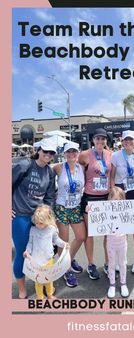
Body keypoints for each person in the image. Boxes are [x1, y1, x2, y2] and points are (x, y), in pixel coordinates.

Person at [12, 138, 57, 299]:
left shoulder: (50, 172)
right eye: (46, 151)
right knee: (23, 252)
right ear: (38, 150)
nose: (48, 155)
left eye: (52, 152)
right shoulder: (25, 165)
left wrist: (49, 217)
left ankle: (45, 284)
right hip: (21, 216)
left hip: (40, 218)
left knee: (45, 252)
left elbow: (50, 197)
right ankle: (22, 288)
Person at [79, 128, 112, 280]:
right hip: (90, 198)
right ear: (93, 140)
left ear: (106, 141)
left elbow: (112, 174)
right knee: (90, 233)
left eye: (103, 139)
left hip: (105, 197)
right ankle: (91, 264)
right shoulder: (85, 155)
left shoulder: (109, 154)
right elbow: (75, 170)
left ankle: (107, 262)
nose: (100, 141)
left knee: (107, 232)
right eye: (97, 138)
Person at [110, 130, 134, 274]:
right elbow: (111, 176)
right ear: (122, 142)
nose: (128, 142)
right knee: (120, 227)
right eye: (125, 140)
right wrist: (113, 192)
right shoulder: (115, 155)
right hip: (121, 191)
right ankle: (120, 259)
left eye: (131, 140)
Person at [53, 142, 86, 287]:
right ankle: (65, 270)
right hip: (62, 208)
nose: (71, 154)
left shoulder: (82, 168)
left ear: (78, 153)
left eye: (74, 152)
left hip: (76, 207)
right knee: (63, 241)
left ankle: (69, 259)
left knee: (80, 237)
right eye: (69, 152)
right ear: (64, 154)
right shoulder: (58, 168)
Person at [23, 204, 69, 300]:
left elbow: (56, 240)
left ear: (47, 220)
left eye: (41, 223)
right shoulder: (33, 229)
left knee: (49, 279)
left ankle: (49, 294)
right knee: (38, 281)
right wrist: (27, 251)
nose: (38, 225)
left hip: (48, 259)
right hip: (36, 261)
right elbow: (30, 243)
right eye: (36, 222)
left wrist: (64, 244)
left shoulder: (52, 229)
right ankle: (40, 298)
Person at [105, 187, 129, 298]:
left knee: (123, 263)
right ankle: (112, 284)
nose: (117, 202)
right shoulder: (106, 211)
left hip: (122, 242)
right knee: (112, 264)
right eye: (114, 199)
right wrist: (89, 209)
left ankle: (123, 283)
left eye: (120, 200)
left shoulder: (126, 212)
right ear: (109, 200)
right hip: (111, 243)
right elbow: (95, 217)